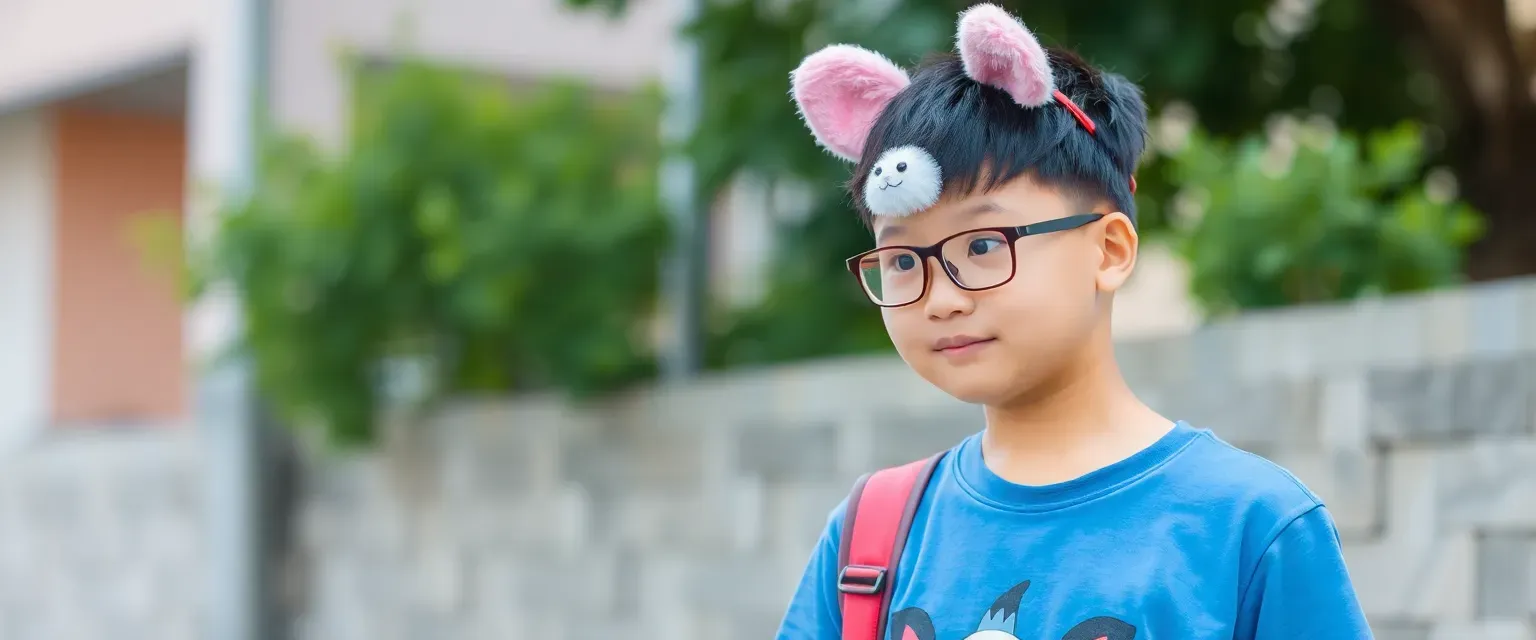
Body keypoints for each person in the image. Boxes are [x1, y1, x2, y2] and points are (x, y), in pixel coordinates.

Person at [775, 4, 1372, 639]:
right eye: (900, 259)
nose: (940, 299)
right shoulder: (868, 540)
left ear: (1109, 250)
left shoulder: (1250, 525)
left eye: (981, 246)